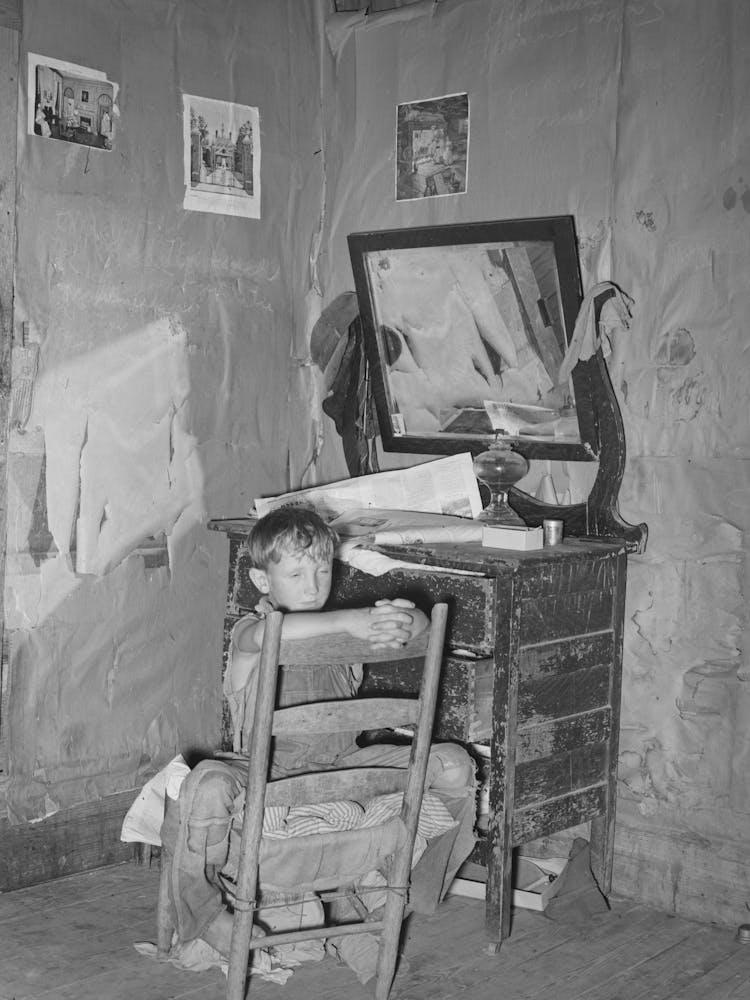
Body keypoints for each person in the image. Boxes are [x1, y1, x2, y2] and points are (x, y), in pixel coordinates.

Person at [161, 505, 475, 959]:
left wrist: (406, 618)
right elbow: (270, 635)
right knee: (206, 783)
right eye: (296, 574)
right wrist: (352, 620)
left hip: (343, 767)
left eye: (323, 570)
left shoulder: (348, 636)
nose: (313, 586)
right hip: (262, 774)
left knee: (455, 766)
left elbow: (422, 629)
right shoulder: (251, 631)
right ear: (263, 581)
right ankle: (206, 913)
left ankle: (396, 891)